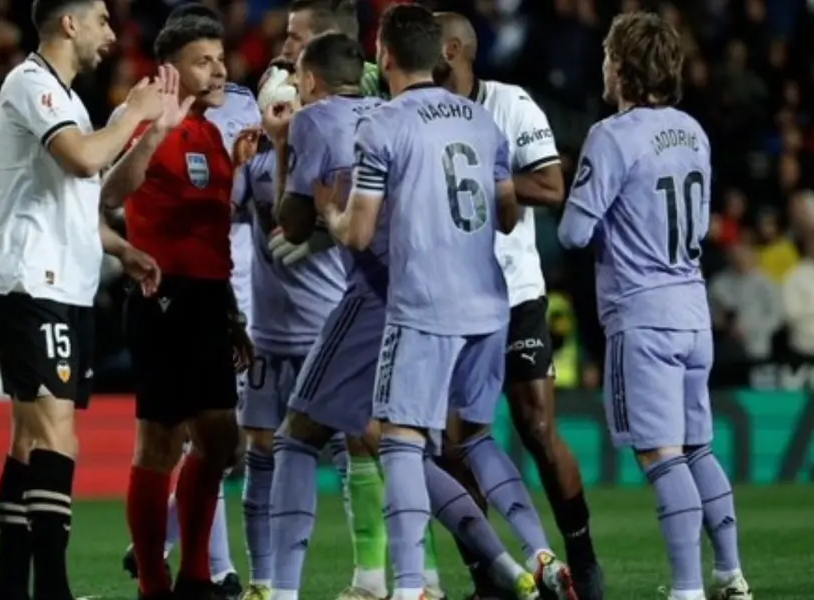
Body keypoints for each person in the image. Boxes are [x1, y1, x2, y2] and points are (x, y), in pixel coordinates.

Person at [316, 5, 580, 600]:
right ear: (437, 55)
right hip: (489, 306)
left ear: (383, 55)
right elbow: (510, 214)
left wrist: (330, 211)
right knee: (478, 440)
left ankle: (409, 587)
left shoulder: (381, 125)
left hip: (424, 308)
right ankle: (541, 553)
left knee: (401, 444)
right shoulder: (482, 123)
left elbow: (358, 234)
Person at [557, 12, 751, 600]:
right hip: (693, 310)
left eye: (608, 56)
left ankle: (688, 590)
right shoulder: (694, 131)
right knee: (698, 450)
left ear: (622, 66)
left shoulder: (611, 136)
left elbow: (573, 233)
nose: (603, 65)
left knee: (662, 458)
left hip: (642, 316)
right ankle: (730, 574)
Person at [0, 1, 162, 599]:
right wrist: (135, 114)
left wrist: (119, 248)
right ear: (69, 23)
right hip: (35, 282)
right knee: (56, 433)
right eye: (102, 20)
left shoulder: (67, 97)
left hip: (63, 283)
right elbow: (84, 157)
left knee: (29, 440)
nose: (110, 33)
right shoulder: (30, 83)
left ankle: (14, 588)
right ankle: (52, 590)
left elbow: (75, 201)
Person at [274, 3, 450, 597]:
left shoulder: (310, 119)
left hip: (370, 291)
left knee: (297, 431)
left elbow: (293, 223)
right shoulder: (393, 108)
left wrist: (279, 148)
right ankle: (423, 578)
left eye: (296, 58)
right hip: (435, 289)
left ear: (313, 76)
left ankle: (280, 589)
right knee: (396, 440)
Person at [433, 11, 604, 600]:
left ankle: (581, 559)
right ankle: (490, 577)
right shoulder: (422, 111)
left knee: (535, 427)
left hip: (515, 290)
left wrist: (486, 180)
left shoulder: (511, 105)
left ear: (453, 50)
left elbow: (553, 187)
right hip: (452, 295)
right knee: (456, 445)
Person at [100, 16, 255, 600]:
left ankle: (193, 576)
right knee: (161, 443)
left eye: (220, 58)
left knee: (220, 441)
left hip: (209, 299)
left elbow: (212, 230)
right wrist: (155, 133)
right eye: (203, 60)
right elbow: (110, 194)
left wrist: (232, 313)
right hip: (162, 297)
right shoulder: (141, 116)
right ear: (170, 70)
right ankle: (155, 582)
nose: (218, 69)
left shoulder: (212, 132)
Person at [232, 55, 347, 600]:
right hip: (269, 337)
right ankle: (261, 580)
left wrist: (282, 145)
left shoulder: (319, 162)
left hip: (326, 330)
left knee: (357, 451)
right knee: (257, 452)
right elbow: (220, 220)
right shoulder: (251, 166)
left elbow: (297, 223)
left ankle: (373, 575)